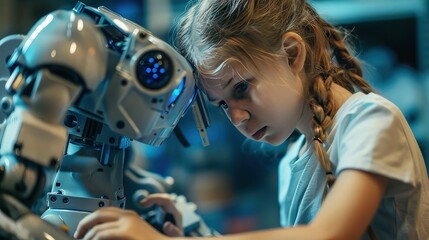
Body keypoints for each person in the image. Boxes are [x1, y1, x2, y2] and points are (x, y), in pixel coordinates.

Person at [74, 0, 429, 239]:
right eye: (223, 105)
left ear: (291, 54)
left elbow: (328, 234)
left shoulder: (370, 121)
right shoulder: (292, 164)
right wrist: (194, 231)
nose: (237, 117)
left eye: (241, 88)